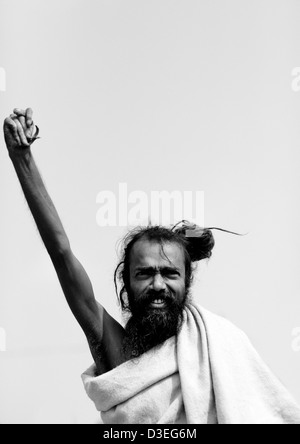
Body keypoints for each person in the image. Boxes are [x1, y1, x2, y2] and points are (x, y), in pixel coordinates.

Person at [3, 108, 300, 424]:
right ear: (126, 282)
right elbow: (62, 254)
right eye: (144, 273)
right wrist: (22, 159)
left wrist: (190, 237)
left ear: (188, 281)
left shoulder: (220, 343)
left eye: (170, 272)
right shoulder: (116, 353)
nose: (158, 285)